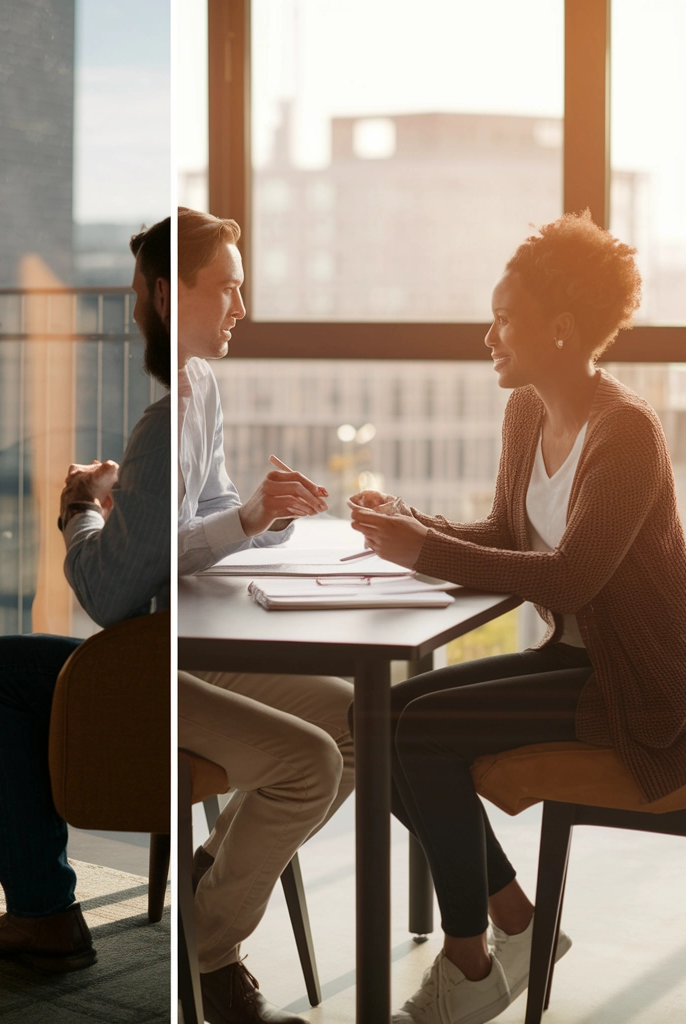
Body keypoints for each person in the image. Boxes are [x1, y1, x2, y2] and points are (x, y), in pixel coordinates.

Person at [349, 211, 686, 1024]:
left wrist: (422, 549)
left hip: (640, 689)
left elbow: (569, 580)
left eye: (504, 317)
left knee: (421, 735)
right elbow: (505, 536)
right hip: (573, 664)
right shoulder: (528, 412)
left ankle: (470, 969)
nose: (488, 334)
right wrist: (413, 525)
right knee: (379, 719)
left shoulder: (627, 433)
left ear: (562, 329)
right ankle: (517, 926)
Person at [0, 216, 170, 972]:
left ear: (161, 295)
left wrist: (79, 505)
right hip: (183, 658)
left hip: (156, 679)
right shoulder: (208, 405)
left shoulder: (164, 423)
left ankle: (43, 911)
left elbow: (109, 596)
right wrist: (131, 517)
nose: (130, 311)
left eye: (135, 295)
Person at [176, 206, 355, 1024]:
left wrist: (266, 516)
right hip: (148, 654)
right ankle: (211, 959)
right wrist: (240, 521)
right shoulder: (133, 391)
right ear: (173, 291)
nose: (241, 309)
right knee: (310, 763)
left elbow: (210, 510)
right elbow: (141, 556)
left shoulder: (202, 382)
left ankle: (205, 895)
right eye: (227, 290)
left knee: (360, 724)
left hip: (200, 639)